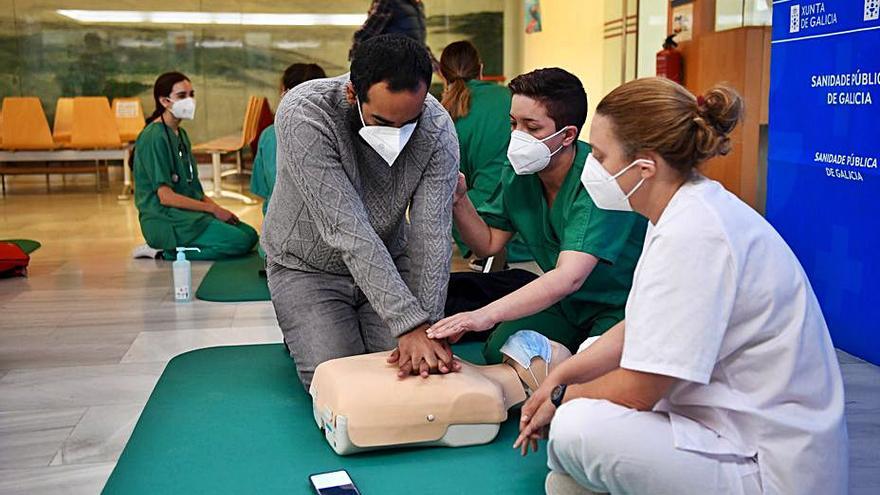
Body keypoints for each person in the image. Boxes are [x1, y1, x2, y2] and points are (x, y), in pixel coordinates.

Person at [515, 78, 848, 495]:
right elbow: (636, 325)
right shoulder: (682, 209)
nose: (590, 168)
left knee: (577, 428)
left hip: (765, 463)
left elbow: (640, 391)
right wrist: (561, 376)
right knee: (586, 366)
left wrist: (563, 396)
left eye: (599, 156)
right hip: (729, 422)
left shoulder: (694, 233)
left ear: (645, 166)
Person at [262, 35, 461, 389]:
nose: (397, 134)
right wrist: (407, 322)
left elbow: (431, 234)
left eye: (409, 122)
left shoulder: (437, 126)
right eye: (384, 121)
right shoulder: (304, 112)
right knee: (342, 384)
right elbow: (346, 228)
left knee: (414, 377)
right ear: (353, 93)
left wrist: (427, 327)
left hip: (388, 260)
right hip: (306, 269)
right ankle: (302, 328)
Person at [428, 68, 647, 364]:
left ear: (567, 135)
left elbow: (568, 277)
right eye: (513, 124)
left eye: (532, 127)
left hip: (619, 305)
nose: (518, 137)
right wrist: (459, 200)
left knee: (593, 369)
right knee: (500, 350)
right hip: (567, 304)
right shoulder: (520, 173)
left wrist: (482, 316)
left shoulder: (597, 181)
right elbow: (489, 244)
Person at [133, 71, 258, 260]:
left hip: (190, 214)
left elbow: (194, 190)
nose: (189, 100)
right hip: (166, 218)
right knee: (238, 242)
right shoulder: (153, 137)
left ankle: (182, 247)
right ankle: (165, 252)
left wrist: (219, 210)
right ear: (164, 101)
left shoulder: (181, 135)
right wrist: (213, 210)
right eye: (182, 96)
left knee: (249, 235)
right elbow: (166, 197)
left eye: (191, 94)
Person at [438, 40, 531, 266]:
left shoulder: (442, 114)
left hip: (477, 217)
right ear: (480, 69)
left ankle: (480, 254)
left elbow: (449, 182)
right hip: (524, 214)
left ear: (442, 74)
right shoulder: (510, 97)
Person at [250, 63, 327, 218]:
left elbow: (264, 189)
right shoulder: (334, 134)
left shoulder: (270, 135)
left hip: (278, 227)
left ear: (284, 92)